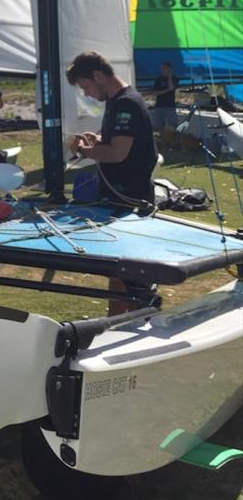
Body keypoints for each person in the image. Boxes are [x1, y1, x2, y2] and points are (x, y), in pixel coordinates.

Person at [66, 51, 158, 316]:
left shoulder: (126, 104)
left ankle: (131, 320)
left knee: (127, 272)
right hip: (121, 197)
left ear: (98, 76)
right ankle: (117, 321)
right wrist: (96, 139)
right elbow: (116, 141)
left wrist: (85, 150)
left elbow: (118, 153)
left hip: (129, 199)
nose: (88, 94)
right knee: (117, 270)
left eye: (86, 87)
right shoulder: (119, 101)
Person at [149, 61, 179, 134]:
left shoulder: (174, 79)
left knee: (173, 127)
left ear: (169, 69)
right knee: (156, 127)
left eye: (165, 68)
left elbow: (172, 87)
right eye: (162, 68)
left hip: (170, 106)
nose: (163, 70)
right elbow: (155, 92)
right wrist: (167, 90)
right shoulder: (158, 79)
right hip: (159, 106)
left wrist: (169, 77)